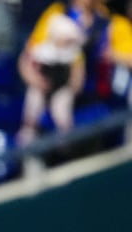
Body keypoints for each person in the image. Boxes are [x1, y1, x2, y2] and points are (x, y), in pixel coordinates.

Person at [18, 13, 86, 145]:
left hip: (62, 88)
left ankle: (65, 139)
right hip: (41, 87)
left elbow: (77, 74)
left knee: (61, 109)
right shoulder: (42, 49)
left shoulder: (73, 53)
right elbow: (29, 64)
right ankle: (27, 133)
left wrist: (74, 86)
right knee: (33, 102)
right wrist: (36, 80)